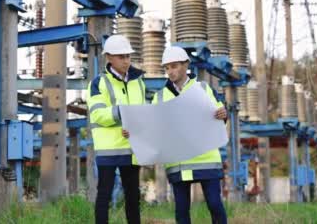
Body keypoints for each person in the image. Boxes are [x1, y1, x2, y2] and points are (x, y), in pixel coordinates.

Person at [152, 46, 228, 224]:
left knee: (215, 205)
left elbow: (218, 115)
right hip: (178, 162)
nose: (171, 71)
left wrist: (222, 115)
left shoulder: (203, 88)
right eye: (167, 67)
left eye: (175, 66)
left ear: (186, 64)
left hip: (206, 158)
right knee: (182, 210)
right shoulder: (160, 97)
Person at [86, 35, 146, 224]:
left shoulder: (139, 82)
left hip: (133, 148)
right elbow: (97, 115)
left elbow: (144, 112)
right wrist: (122, 112)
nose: (126, 61)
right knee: (104, 194)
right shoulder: (98, 83)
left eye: (128, 56)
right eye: (121, 57)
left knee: (133, 197)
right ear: (109, 57)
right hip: (109, 149)